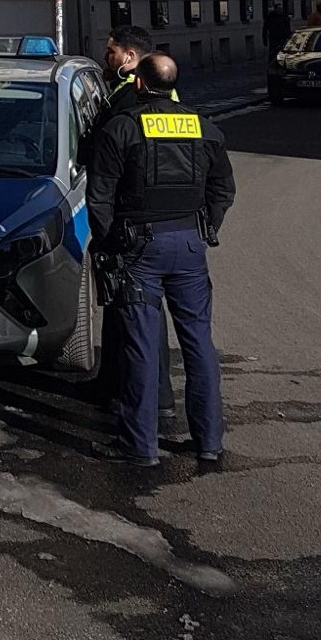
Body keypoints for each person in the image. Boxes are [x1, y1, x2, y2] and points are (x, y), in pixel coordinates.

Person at [87, 53, 236, 471]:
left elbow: (99, 197)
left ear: (138, 84)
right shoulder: (204, 127)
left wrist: (109, 244)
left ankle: (140, 446)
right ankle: (209, 442)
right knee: (199, 343)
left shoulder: (122, 128)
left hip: (138, 249)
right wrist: (205, 227)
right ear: (172, 86)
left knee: (141, 345)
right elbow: (223, 189)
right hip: (189, 246)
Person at [93, 23, 177, 436]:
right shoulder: (163, 99)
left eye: (111, 51)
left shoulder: (130, 100)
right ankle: (111, 383)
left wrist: (105, 233)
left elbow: (104, 161)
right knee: (125, 310)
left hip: (134, 221)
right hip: (167, 219)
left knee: (140, 315)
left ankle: (150, 408)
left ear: (130, 59)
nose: (105, 56)